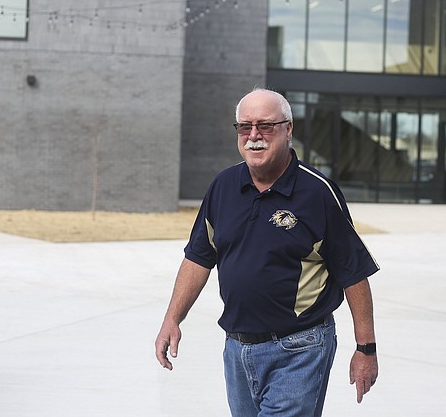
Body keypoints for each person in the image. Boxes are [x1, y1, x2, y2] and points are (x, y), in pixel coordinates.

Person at [155, 88, 379, 416]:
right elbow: (199, 257)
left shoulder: (317, 193)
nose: (254, 136)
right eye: (245, 127)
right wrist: (172, 319)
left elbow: (354, 273)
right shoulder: (223, 187)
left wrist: (366, 349)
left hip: (300, 348)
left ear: (288, 129)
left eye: (266, 126)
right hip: (237, 348)